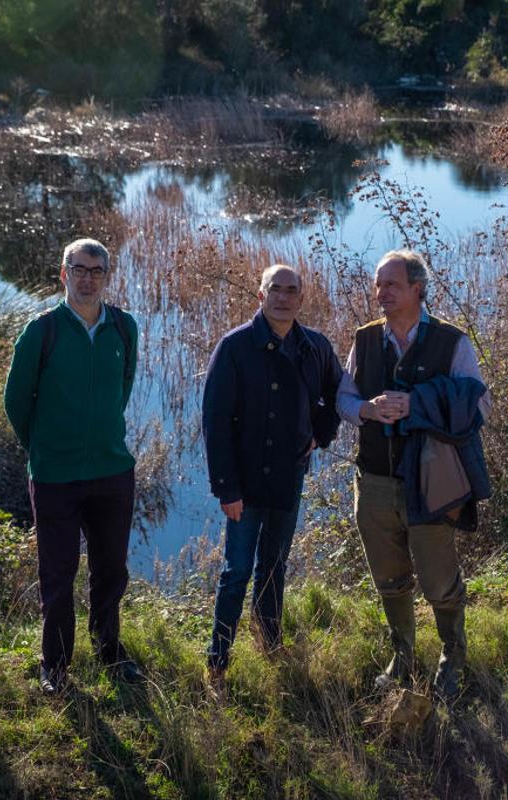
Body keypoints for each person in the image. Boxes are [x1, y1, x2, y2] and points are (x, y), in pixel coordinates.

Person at [336, 249, 489, 701]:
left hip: (432, 483)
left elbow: (480, 406)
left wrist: (416, 405)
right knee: (388, 577)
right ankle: (402, 657)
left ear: (417, 289)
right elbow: (344, 399)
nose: (381, 293)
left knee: (440, 580)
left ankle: (452, 660)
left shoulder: (452, 342)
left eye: (391, 285)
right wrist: (366, 409)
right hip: (376, 481)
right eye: (378, 284)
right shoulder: (364, 340)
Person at [3, 238, 142, 694]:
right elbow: (16, 402)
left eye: (96, 270)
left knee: (111, 570)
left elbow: (122, 390)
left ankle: (108, 651)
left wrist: (100, 439)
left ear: (107, 276)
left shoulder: (124, 328)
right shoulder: (41, 331)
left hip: (112, 471)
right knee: (58, 573)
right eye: (78, 269)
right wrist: (45, 446)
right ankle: (55, 664)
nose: (87, 278)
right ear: (63, 274)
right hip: (55, 476)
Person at [201, 264, 343, 695]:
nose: (283, 298)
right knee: (237, 570)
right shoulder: (235, 346)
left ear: (302, 299)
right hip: (243, 482)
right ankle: (217, 663)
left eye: (291, 291)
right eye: (274, 290)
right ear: (260, 296)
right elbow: (215, 420)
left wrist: (320, 434)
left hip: (287, 478)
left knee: (274, 567)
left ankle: (269, 643)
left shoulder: (314, 346)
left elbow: (337, 393)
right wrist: (226, 488)